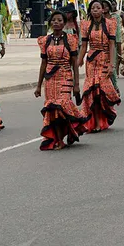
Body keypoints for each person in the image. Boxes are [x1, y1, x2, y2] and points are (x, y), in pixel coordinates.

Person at [34, 11, 86, 150]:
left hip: (65, 76)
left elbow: (74, 63)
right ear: (50, 22)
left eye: (59, 20)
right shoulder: (45, 40)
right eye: (54, 20)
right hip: (50, 79)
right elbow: (43, 63)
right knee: (52, 109)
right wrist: (38, 86)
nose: (56, 22)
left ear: (64, 23)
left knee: (62, 104)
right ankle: (58, 139)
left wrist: (76, 84)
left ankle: (71, 129)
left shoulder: (70, 39)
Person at [78, 0, 121, 133]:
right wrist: (78, 61)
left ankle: (108, 112)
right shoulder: (86, 25)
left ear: (103, 10)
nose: (95, 10)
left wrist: (112, 64)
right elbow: (84, 46)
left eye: (98, 8)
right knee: (92, 91)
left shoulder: (110, 24)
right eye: (93, 8)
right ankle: (96, 122)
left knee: (102, 90)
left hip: (104, 59)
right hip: (91, 61)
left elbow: (112, 45)